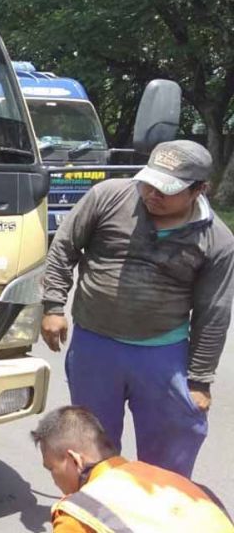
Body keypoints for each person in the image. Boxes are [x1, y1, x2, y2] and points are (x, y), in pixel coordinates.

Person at [41, 139, 234, 477]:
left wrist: (200, 381)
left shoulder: (216, 240)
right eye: (149, 182)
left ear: (199, 190)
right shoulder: (109, 196)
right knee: (91, 448)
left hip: (162, 355)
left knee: (169, 453)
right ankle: (93, 518)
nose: (152, 193)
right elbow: (63, 248)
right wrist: (54, 306)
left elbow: (213, 311)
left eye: (166, 189)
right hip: (94, 347)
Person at [31, 405, 233, 532]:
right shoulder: (173, 483)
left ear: (75, 460)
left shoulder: (80, 514)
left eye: (51, 469)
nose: (54, 480)